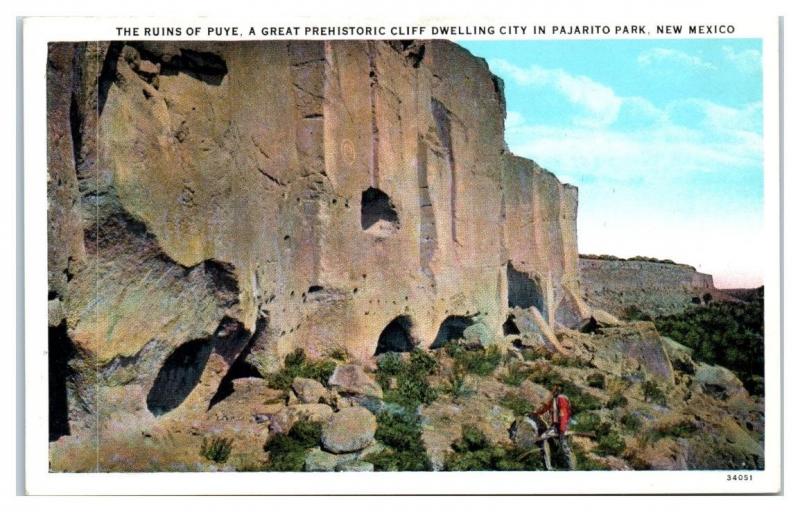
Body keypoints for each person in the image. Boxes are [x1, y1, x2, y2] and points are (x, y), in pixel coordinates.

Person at [533, 384, 576, 470]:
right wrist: (535, 413)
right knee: (545, 439)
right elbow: (545, 408)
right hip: (557, 426)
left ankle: (570, 468)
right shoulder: (555, 399)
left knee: (564, 446)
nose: (552, 391)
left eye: (554, 389)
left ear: (558, 390)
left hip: (562, 427)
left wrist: (562, 429)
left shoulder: (561, 398)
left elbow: (563, 414)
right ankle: (550, 466)